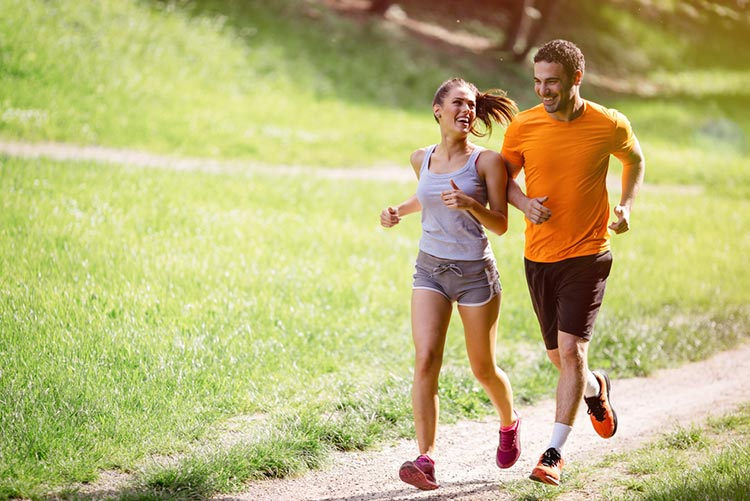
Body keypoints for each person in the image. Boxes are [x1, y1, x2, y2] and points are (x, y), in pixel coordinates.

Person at [500, 39, 646, 486]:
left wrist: (626, 207)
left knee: (570, 351)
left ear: (575, 78)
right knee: (559, 359)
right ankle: (595, 389)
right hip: (538, 256)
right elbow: (502, 180)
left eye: (553, 83)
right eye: (538, 82)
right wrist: (524, 203)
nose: (544, 91)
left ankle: (553, 453)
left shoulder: (608, 123)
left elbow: (634, 160)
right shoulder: (523, 127)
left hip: (588, 254)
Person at [380, 77, 521, 491]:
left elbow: (501, 224)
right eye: (459, 102)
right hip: (430, 270)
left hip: (476, 275)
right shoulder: (420, 157)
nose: (467, 110)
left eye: (473, 105)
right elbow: (427, 195)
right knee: (425, 360)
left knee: (483, 368)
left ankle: (509, 422)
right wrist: (398, 211)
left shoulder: (487, 162)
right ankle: (425, 459)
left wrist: (472, 204)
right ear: (437, 109)